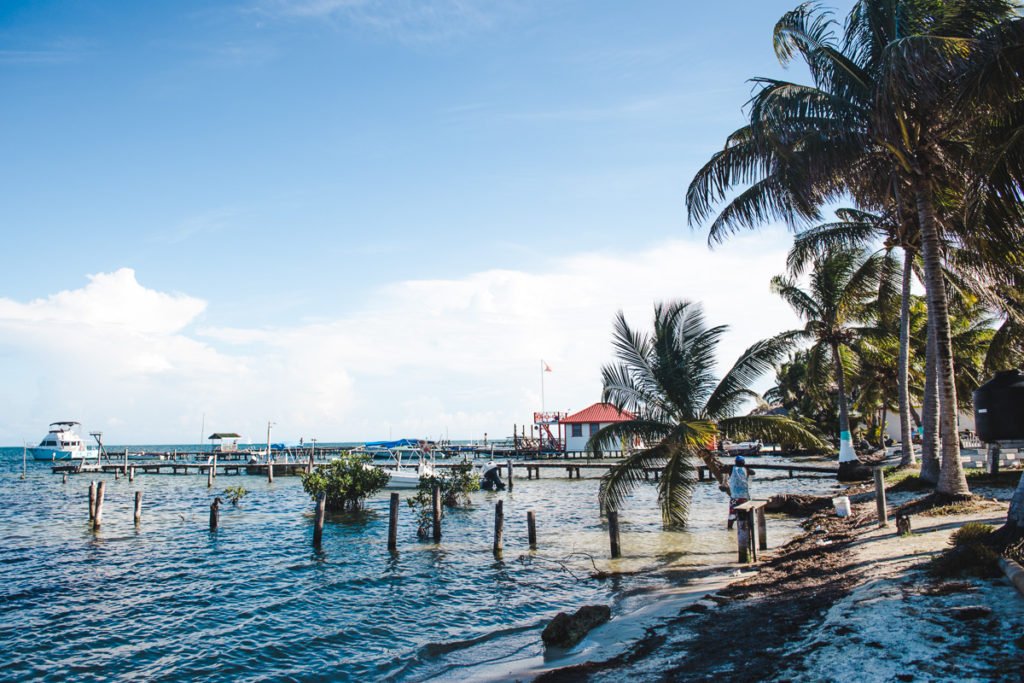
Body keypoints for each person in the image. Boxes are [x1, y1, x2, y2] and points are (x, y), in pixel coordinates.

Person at [726, 455, 754, 529]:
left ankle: (729, 529)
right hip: (745, 497)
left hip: (734, 497)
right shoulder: (746, 470)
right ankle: (747, 528)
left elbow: (723, 470)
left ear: (735, 462)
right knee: (746, 513)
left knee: (732, 514)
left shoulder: (731, 469)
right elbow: (753, 473)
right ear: (743, 462)